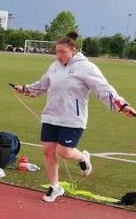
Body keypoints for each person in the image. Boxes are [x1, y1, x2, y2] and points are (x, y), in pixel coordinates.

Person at [13, 31, 136, 202]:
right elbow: (42, 85)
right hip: (51, 115)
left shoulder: (86, 67)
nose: (59, 55)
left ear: (73, 50)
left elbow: (103, 88)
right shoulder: (54, 66)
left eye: (63, 52)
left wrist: (122, 105)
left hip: (72, 118)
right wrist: (25, 89)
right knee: (48, 150)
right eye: (57, 51)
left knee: (64, 152)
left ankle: (83, 157)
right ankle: (55, 187)